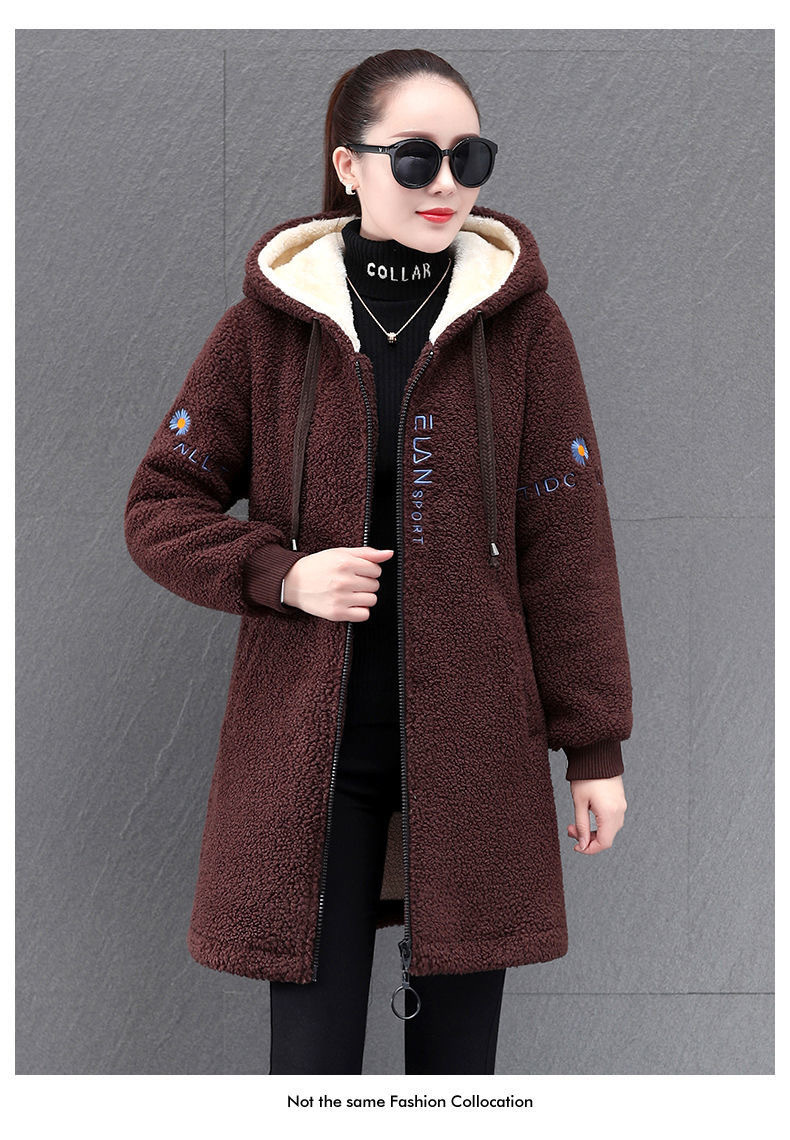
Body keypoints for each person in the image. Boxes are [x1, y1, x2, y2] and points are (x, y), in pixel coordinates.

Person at [124, 48, 633, 1076]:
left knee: (455, 1079)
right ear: (349, 166)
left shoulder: (523, 331)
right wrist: (281, 573)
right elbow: (160, 505)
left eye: (468, 156)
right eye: (415, 157)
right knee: (310, 1075)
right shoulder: (268, 330)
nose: (446, 181)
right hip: (310, 755)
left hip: (476, 750)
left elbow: (567, 544)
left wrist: (594, 748)